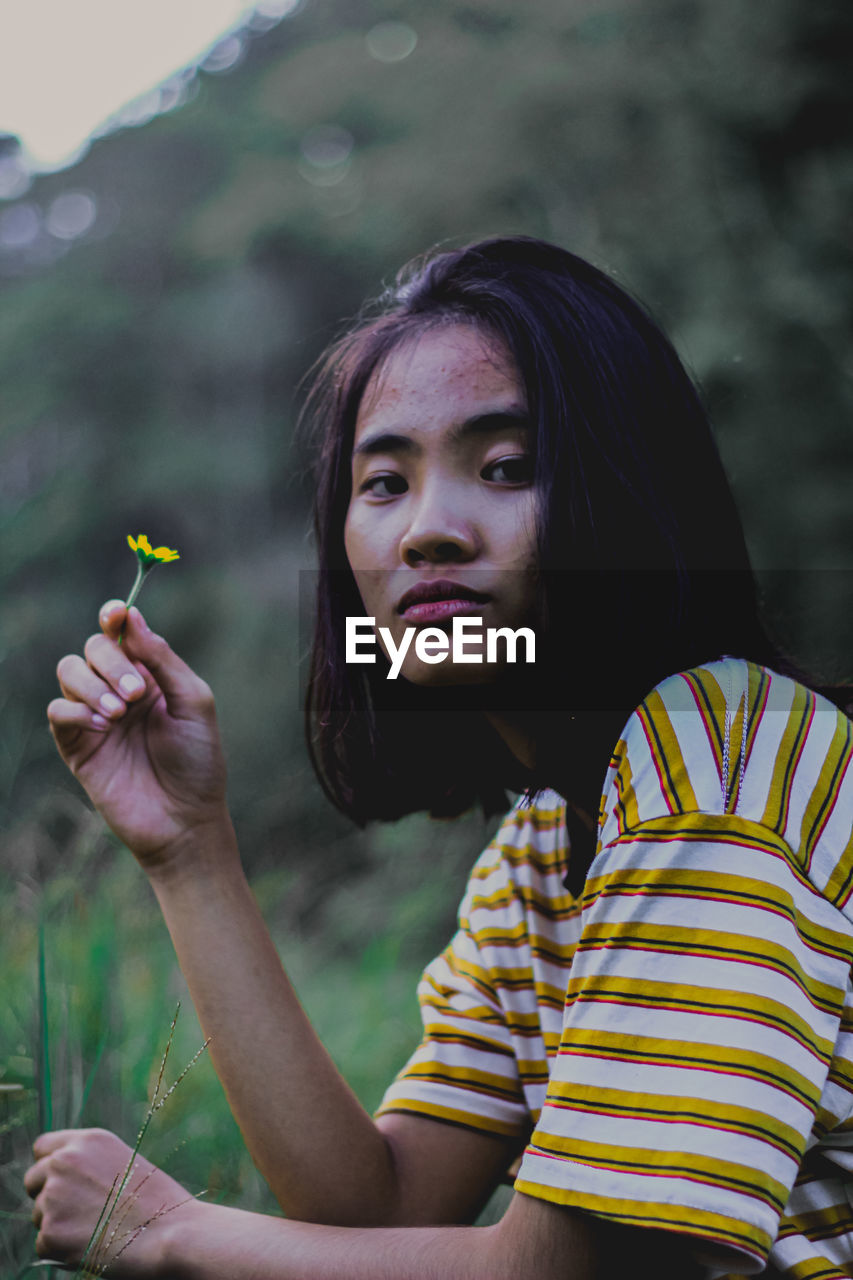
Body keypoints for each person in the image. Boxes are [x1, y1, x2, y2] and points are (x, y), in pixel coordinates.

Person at [25, 236, 853, 1278]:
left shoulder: (722, 765)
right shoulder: (543, 845)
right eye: (383, 482)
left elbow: (579, 1272)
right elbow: (372, 1205)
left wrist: (170, 1231)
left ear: (629, 492)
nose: (428, 531)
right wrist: (188, 849)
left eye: (504, 467)